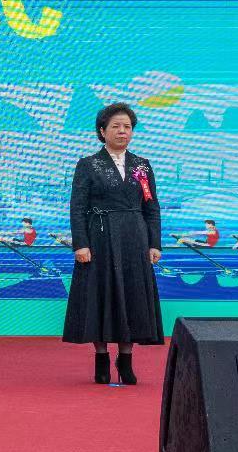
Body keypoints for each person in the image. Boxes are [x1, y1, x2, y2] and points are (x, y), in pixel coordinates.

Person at [62, 103, 165, 385]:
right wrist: (80, 244)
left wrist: (154, 243)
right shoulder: (88, 164)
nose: (122, 131)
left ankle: (126, 358)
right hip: (100, 237)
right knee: (101, 295)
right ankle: (101, 358)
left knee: (131, 295)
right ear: (102, 131)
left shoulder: (142, 165)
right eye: (116, 126)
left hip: (134, 238)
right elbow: (77, 208)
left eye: (127, 127)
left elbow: (152, 207)